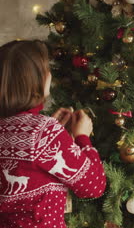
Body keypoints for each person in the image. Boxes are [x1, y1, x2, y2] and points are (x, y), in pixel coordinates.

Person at [0, 40, 107, 228]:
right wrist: (83, 137)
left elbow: (29, 164)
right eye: (46, 69)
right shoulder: (43, 132)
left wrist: (51, 128)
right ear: (37, 79)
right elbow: (94, 186)